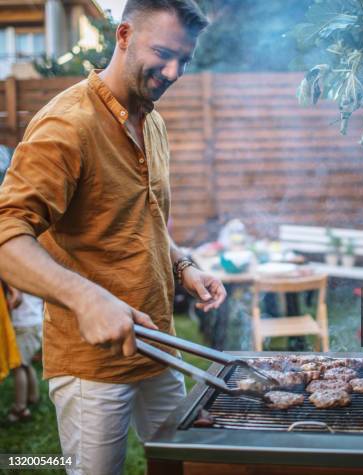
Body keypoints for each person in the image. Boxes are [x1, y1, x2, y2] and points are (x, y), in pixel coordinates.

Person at [0, 1, 226, 473]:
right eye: (163, 52)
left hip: (160, 346)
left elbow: (143, 219)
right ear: (123, 36)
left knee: (179, 464)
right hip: (93, 364)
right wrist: (87, 300)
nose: (174, 71)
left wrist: (183, 265)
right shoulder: (67, 125)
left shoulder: (153, 121)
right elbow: (7, 233)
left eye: (184, 60)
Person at [6, 286, 43, 422]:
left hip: (24, 326)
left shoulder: (18, 278)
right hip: (35, 323)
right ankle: (33, 397)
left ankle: (20, 408)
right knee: (26, 364)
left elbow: (16, 300)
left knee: (18, 366)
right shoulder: (35, 275)